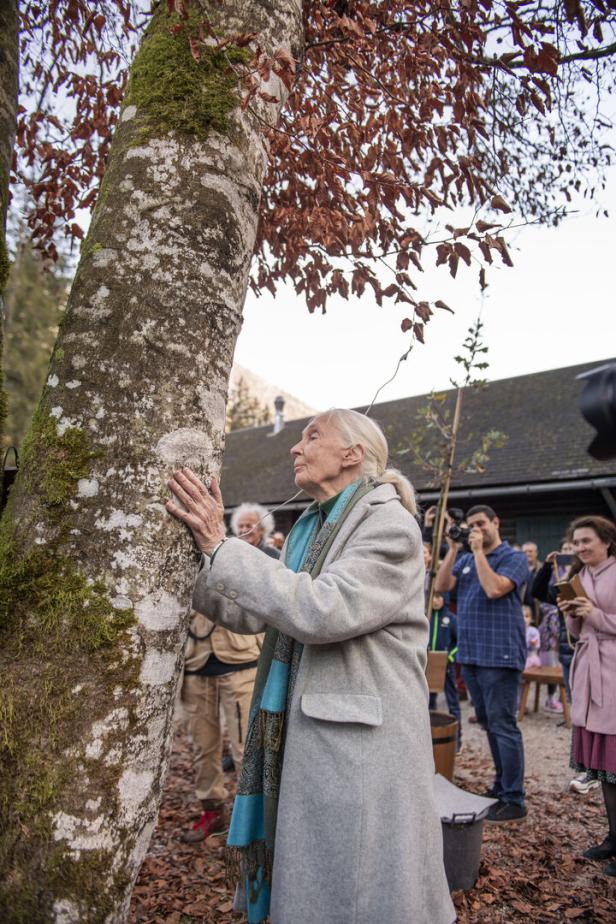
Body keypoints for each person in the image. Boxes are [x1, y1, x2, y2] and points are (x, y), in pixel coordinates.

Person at [167, 409, 455, 924]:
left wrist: (220, 545)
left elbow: (323, 608)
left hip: (363, 743)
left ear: (352, 455)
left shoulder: (389, 524)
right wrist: (183, 566)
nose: (295, 448)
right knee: (325, 884)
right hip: (322, 737)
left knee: (360, 888)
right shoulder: (313, 527)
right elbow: (253, 609)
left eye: (311, 436)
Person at [180, 503, 277, 843]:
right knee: (202, 747)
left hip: (241, 664)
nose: (248, 529)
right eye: (243, 524)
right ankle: (212, 812)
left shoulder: (260, 558)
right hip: (197, 664)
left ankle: (248, 823)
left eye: (253, 525)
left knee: (245, 746)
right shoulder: (198, 552)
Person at [435, 504, 529, 824]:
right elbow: (441, 586)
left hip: (500, 655)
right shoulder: (464, 558)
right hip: (471, 655)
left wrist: (477, 552)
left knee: (504, 725)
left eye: (481, 524)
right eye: (471, 525)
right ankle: (501, 787)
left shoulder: (512, 558)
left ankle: (514, 798)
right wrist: (453, 550)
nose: (476, 529)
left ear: (495, 523)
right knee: (489, 723)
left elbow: (494, 589)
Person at [558, 515, 616, 877]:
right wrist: (571, 614)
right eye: (576, 542)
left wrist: (594, 614)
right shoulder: (577, 579)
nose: (580, 548)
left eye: (586, 541)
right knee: (607, 771)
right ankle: (613, 837)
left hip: (613, 669)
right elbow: (576, 633)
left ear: (607, 540)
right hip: (588, 668)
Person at [428, 591, 461, 747]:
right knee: (428, 702)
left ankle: (457, 740)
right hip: (430, 665)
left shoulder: (451, 619)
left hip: (446, 667)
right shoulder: (426, 617)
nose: (436, 600)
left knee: (452, 702)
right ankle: (429, 739)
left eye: (439, 597)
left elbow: (459, 642)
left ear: (445, 599)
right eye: (434, 596)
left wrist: (450, 657)